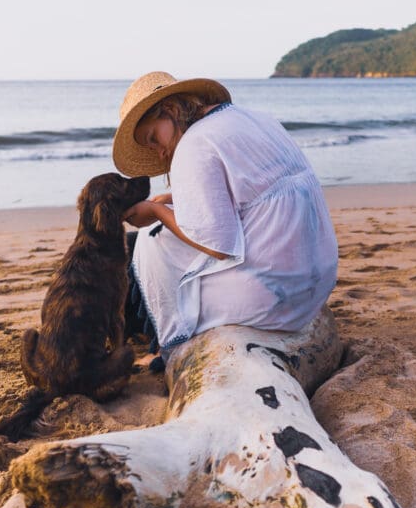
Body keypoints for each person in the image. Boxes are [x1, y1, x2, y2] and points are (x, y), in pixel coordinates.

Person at [112, 71, 338, 368]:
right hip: (314, 281)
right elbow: (253, 193)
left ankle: (170, 347)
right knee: (168, 231)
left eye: (153, 139)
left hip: (275, 298)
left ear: (169, 110)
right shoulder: (254, 118)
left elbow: (217, 245)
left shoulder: (194, 143)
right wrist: (173, 199)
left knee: (151, 241)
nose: (158, 151)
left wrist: (157, 212)